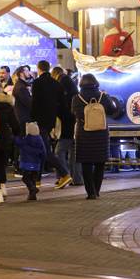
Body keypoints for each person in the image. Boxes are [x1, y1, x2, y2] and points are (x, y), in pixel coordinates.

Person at [72, 73, 117, 199]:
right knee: (100, 164)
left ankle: (90, 192)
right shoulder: (103, 96)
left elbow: (74, 113)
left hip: (84, 134)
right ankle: (97, 191)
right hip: (101, 134)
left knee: (86, 164)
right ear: (96, 83)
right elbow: (112, 110)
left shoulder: (77, 98)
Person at [30, 60, 72, 189]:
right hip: (51, 121)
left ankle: (65, 174)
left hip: (39, 121)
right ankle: (37, 180)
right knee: (42, 149)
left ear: (39, 69)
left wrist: (32, 120)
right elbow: (62, 105)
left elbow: (35, 103)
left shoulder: (36, 83)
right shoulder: (56, 84)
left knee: (44, 150)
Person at [52, 66, 83, 186]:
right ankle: (77, 179)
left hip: (66, 124)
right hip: (76, 123)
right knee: (74, 153)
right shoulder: (70, 83)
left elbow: (61, 105)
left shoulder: (62, 82)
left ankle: (64, 175)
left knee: (58, 152)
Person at [14, 122, 46, 201]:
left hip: (27, 164)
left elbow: (18, 143)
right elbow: (44, 153)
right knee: (33, 179)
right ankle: (32, 196)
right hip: (36, 165)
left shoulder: (27, 139)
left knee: (25, 178)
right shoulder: (40, 139)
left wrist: (15, 136)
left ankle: (33, 189)